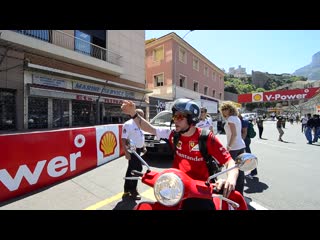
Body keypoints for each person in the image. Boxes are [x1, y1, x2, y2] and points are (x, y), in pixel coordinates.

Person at [121, 98, 239, 210]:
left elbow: (230, 162)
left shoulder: (206, 138)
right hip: (175, 186)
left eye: (180, 116)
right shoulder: (173, 134)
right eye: (174, 116)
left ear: (192, 119)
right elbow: (150, 128)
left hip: (200, 190)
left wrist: (230, 180)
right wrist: (134, 114)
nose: (175, 119)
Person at [219, 101, 246, 195]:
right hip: (241, 145)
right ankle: (239, 192)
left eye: (225, 109)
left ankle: (233, 192)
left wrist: (228, 147)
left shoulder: (231, 119)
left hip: (234, 147)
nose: (224, 111)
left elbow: (234, 135)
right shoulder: (236, 118)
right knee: (240, 169)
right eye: (223, 109)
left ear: (230, 109)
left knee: (231, 170)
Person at [121, 109, 145, 200]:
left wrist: (143, 146)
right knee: (136, 170)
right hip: (132, 151)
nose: (142, 117)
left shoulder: (140, 124)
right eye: (140, 115)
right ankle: (133, 190)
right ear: (135, 114)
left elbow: (140, 136)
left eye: (142, 115)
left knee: (131, 169)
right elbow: (123, 139)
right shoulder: (128, 124)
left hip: (138, 150)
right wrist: (126, 152)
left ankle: (127, 189)